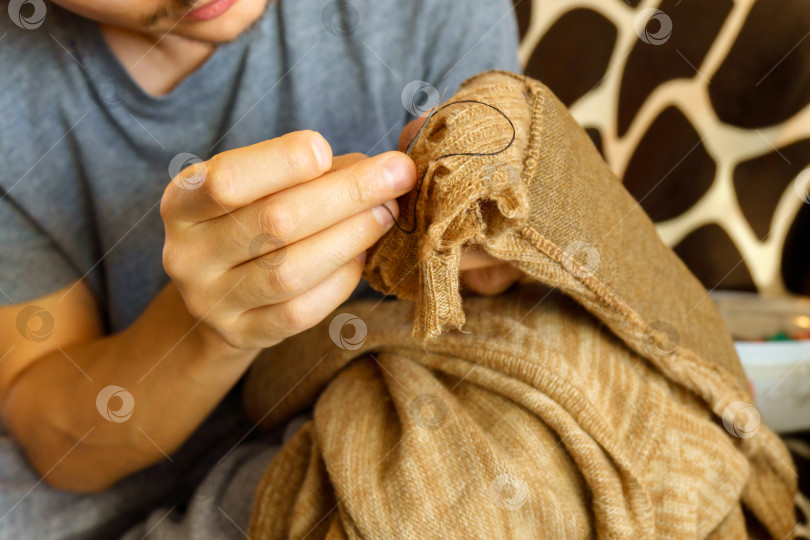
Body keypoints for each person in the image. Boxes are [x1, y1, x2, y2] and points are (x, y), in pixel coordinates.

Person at [0, 0, 521, 537]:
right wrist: (206, 332)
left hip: (379, 411)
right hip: (135, 467)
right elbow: (56, 442)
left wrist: (509, 252)